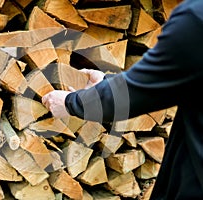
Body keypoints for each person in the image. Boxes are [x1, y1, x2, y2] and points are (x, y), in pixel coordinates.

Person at [42, 0, 203, 199]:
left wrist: (70, 103)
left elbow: (134, 93)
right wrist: (106, 83)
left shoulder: (197, 20)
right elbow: (170, 82)